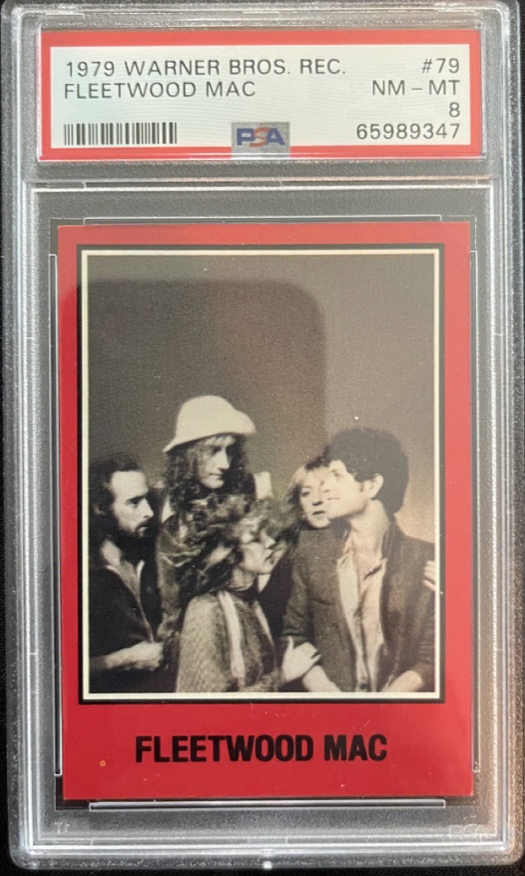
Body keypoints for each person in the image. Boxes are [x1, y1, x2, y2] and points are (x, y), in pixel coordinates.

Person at [283, 428, 436, 693]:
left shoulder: (427, 560)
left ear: (372, 485)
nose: (324, 487)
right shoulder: (310, 550)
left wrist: (385, 704)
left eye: (336, 476)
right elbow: (293, 636)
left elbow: (432, 654)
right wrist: (331, 697)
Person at [157, 395, 268, 667]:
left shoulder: (246, 502)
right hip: (194, 648)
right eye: (213, 450)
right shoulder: (167, 519)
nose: (225, 464)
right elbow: (171, 612)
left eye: (230, 451)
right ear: (189, 454)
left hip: (244, 636)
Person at [176, 498, 319, 693]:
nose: (271, 543)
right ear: (230, 554)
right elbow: (208, 707)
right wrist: (283, 675)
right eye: (256, 539)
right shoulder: (206, 610)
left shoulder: (249, 602)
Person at [88, 455, 166, 694]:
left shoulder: (151, 561)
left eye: (147, 499)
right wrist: (126, 659)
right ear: (101, 508)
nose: (149, 512)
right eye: (134, 503)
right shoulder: (83, 576)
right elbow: (59, 667)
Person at [258, 458, 330, 639]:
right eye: (306, 493)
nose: (316, 500)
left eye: (325, 490)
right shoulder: (291, 556)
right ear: (300, 508)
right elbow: (272, 622)